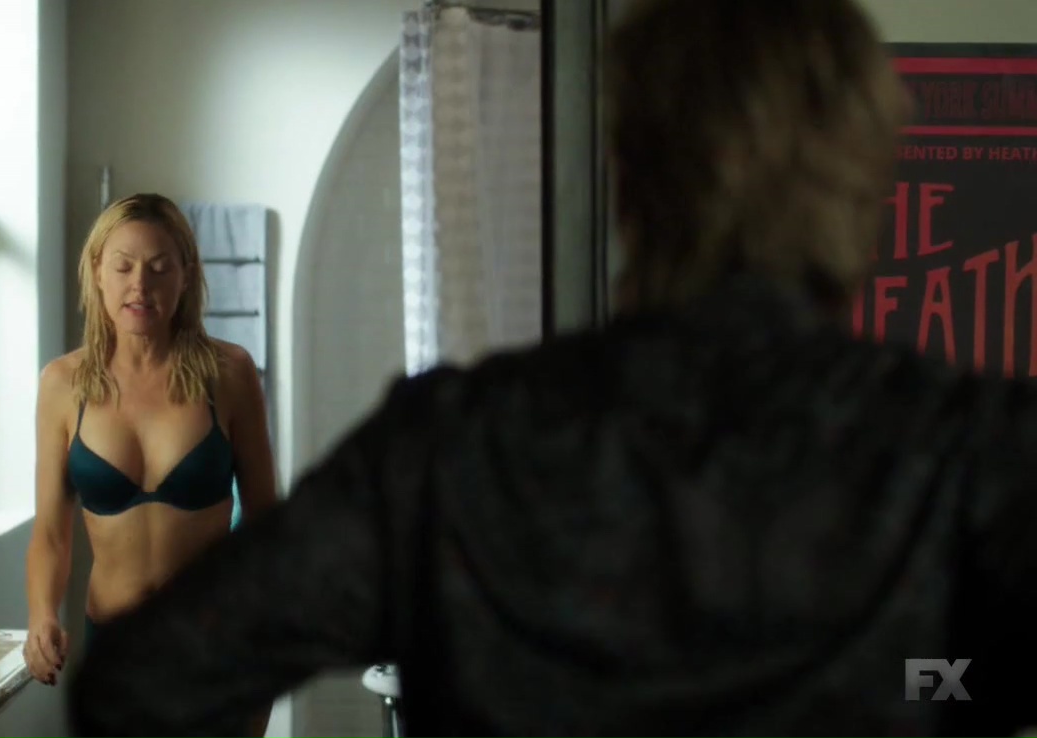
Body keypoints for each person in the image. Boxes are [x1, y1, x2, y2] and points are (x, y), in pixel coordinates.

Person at [67, 1, 1037, 737]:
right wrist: (918, 679)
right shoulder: (975, 452)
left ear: (626, 170)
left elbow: (144, 682)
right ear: (865, 184)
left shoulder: (455, 448)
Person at [23, 194, 278, 734]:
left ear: (186, 275)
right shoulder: (63, 385)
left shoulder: (230, 373)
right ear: (97, 272)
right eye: (123, 267)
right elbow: (50, 532)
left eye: (160, 268)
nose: (140, 285)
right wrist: (42, 615)